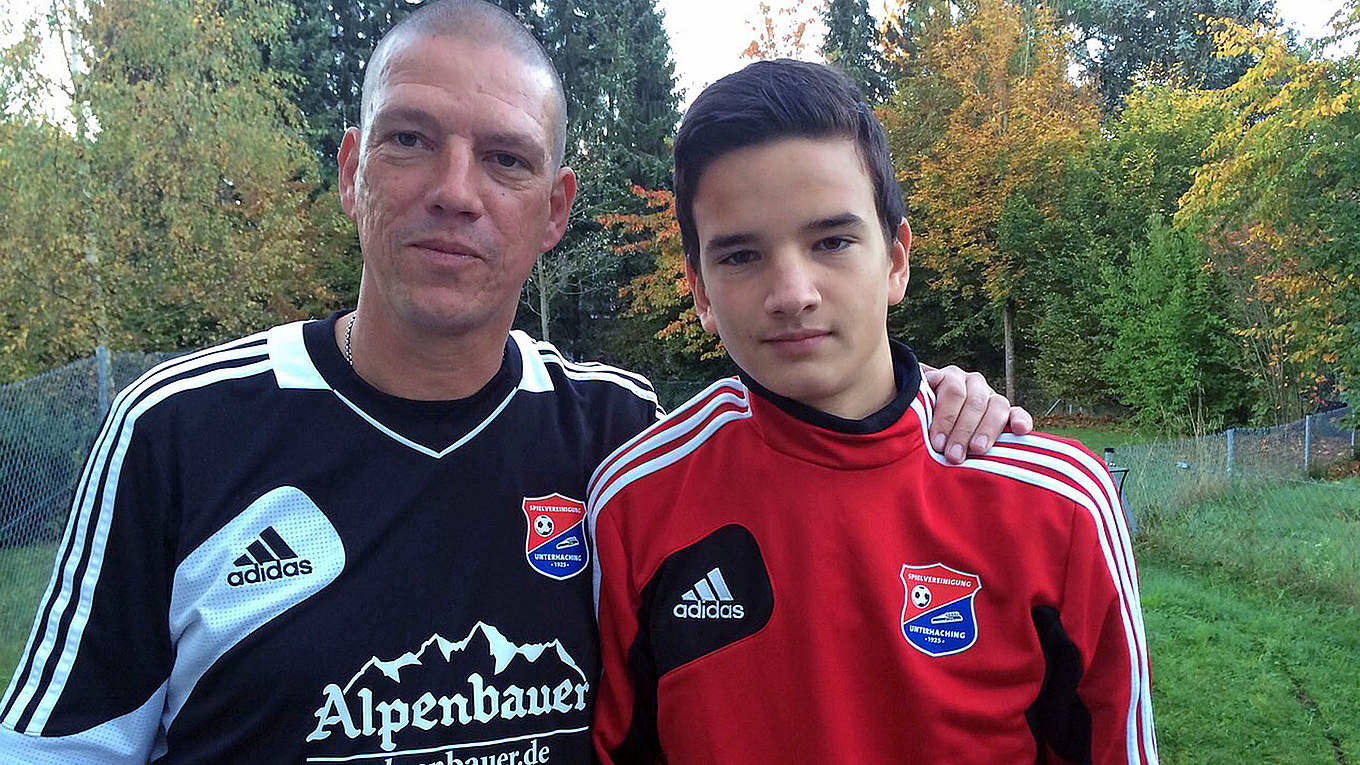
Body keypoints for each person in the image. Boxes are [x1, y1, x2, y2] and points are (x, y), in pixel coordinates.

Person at [0, 3, 1030, 763]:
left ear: (554, 209)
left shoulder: (618, 433)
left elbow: (812, 466)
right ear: (353, 170)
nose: (455, 192)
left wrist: (927, 399)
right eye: (411, 141)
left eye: (505, 159)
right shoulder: (180, 430)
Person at [588, 60, 1157, 764]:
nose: (792, 293)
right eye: (741, 256)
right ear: (700, 291)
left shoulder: (1058, 504)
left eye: (831, 241)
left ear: (895, 261)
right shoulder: (635, 502)